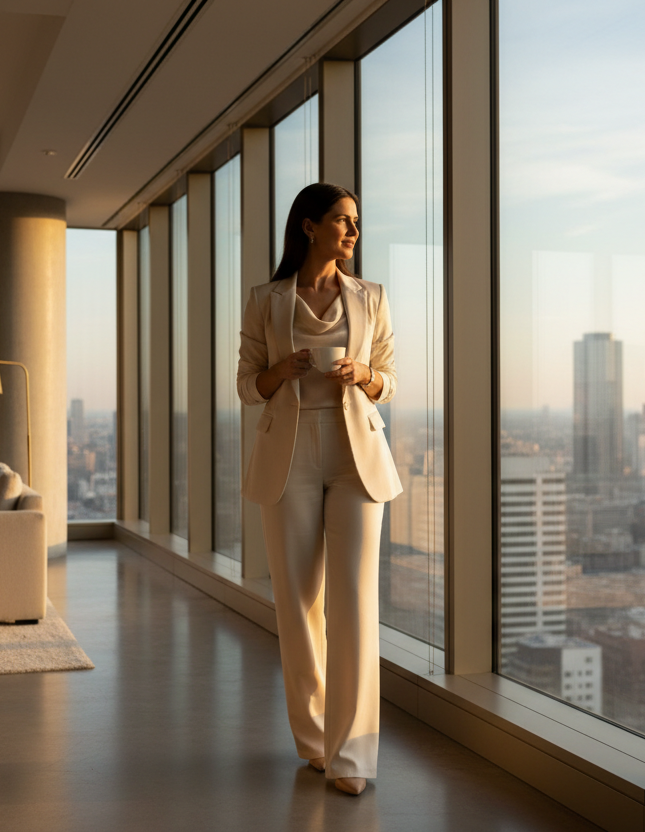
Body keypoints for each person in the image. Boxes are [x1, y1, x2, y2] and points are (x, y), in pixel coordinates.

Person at [236, 182, 402, 796]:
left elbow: (390, 378)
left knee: (355, 604)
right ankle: (314, 742)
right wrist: (281, 371)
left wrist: (365, 374)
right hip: (289, 454)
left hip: (356, 454)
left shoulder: (372, 297)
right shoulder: (266, 300)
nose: (353, 232)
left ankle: (353, 758)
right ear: (309, 227)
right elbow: (247, 384)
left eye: (356, 221)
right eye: (341, 220)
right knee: (299, 605)